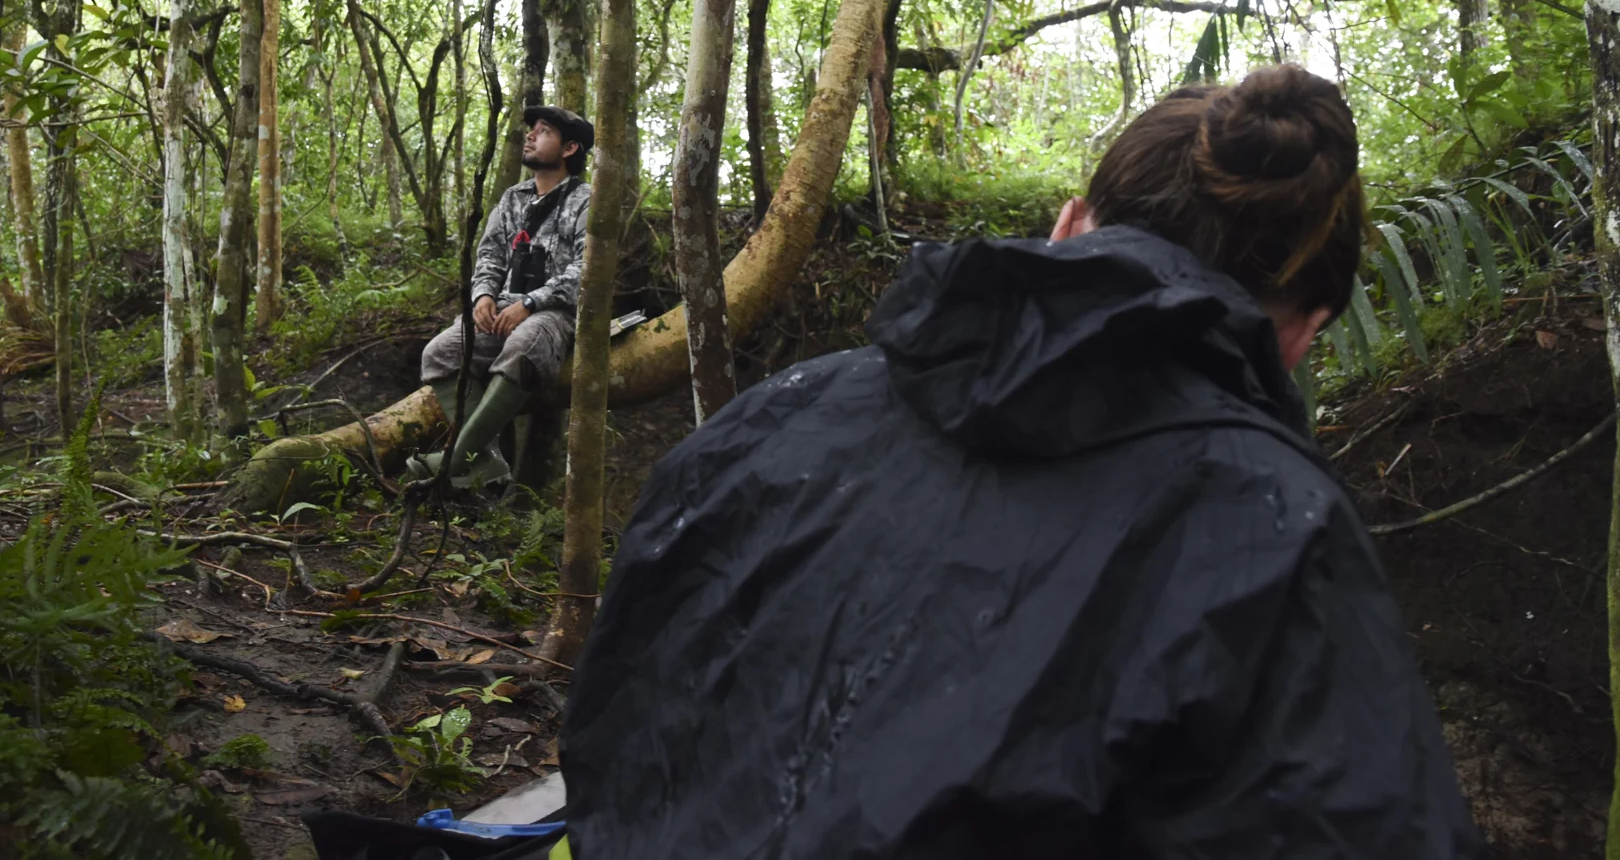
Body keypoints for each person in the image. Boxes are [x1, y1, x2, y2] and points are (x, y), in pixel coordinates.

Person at [561, 66, 1481, 858]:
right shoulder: (1282, 532)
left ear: (1068, 227)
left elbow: (617, 726)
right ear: (1304, 333)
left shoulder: (774, 416)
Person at [416, 105, 595, 485]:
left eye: (544, 131)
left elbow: (587, 270)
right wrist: (483, 296)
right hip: (502, 308)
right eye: (532, 129)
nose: (530, 135)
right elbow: (490, 255)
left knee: (524, 345)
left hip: (556, 312)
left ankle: (454, 460)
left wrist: (531, 303)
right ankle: (489, 462)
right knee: (441, 352)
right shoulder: (513, 198)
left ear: (569, 148)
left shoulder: (587, 200)